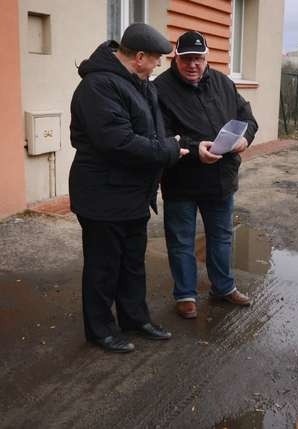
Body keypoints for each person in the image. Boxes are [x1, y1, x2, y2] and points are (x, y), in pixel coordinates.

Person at [69, 23, 189, 353]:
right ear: (139, 57)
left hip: (134, 193)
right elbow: (116, 142)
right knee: (103, 266)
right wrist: (166, 151)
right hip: (103, 193)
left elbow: (153, 132)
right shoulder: (99, 86)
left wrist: (174, 143)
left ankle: (135, 318)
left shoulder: (141, 84)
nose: (157, 66)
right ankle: (100, 329)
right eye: (156, 60)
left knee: (132, 263)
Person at [155, 31, 258, 319]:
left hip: (221, 179)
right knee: (181, 241)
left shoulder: (223, 83)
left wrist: (245, 138)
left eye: (198, 58)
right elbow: (159, 136)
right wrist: (193, 148)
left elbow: (248, 119)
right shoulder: (160, 89)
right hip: (181, 180)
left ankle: (223, 287)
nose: (192, 65)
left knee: (221, 237)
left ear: (207, 57)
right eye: (186, 59)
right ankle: (186, 294)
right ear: (175, 58)